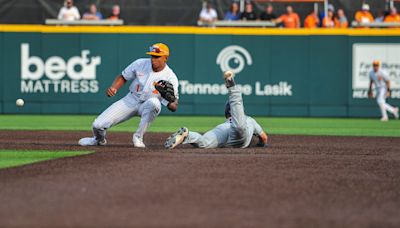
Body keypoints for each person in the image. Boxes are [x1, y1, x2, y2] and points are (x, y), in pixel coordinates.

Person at [79, 43, 180, 148]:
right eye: (152, 56)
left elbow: (174, 107)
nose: (153, 59)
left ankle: (138, 137)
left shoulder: (170, 77)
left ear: (165, 58)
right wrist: (114, 88)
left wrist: (167, 97)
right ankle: (98, 140)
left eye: (157, 57)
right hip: (131, 99)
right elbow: (123, 76)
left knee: (155, 103)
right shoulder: (140, 63)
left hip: (148, 104)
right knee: (98, 125)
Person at [164, 71, 269, 149]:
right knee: (239, 126)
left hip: (223, 129)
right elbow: (264, 138)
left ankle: (188, 135)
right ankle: (233, 88)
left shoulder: (226, 122)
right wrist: (259, 144)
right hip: (237, 131)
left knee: (204, 142)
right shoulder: (249, 120)